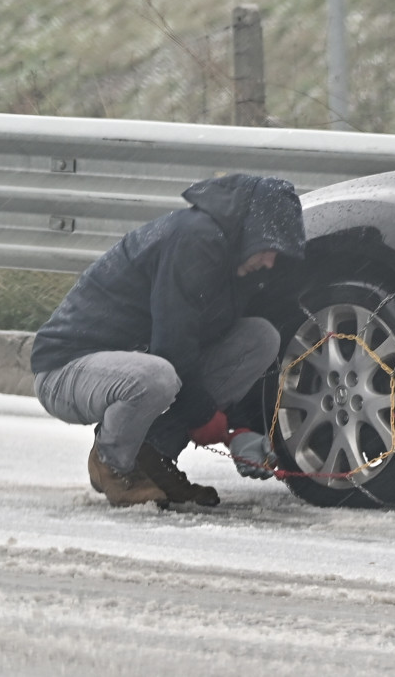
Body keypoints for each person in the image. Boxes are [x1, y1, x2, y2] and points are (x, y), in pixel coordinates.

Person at [30, 174, 305, 508]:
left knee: (259, 338)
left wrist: (241, 429)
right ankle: (112, 463)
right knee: (156, 377)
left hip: (135, 362)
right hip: (67, 368)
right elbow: (174, 346)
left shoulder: (235, 262)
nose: (270, 261)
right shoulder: (195, 239)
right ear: (251, 231)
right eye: (269, 248)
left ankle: (152, 458)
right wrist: (212, 423)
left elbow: (204, 352)